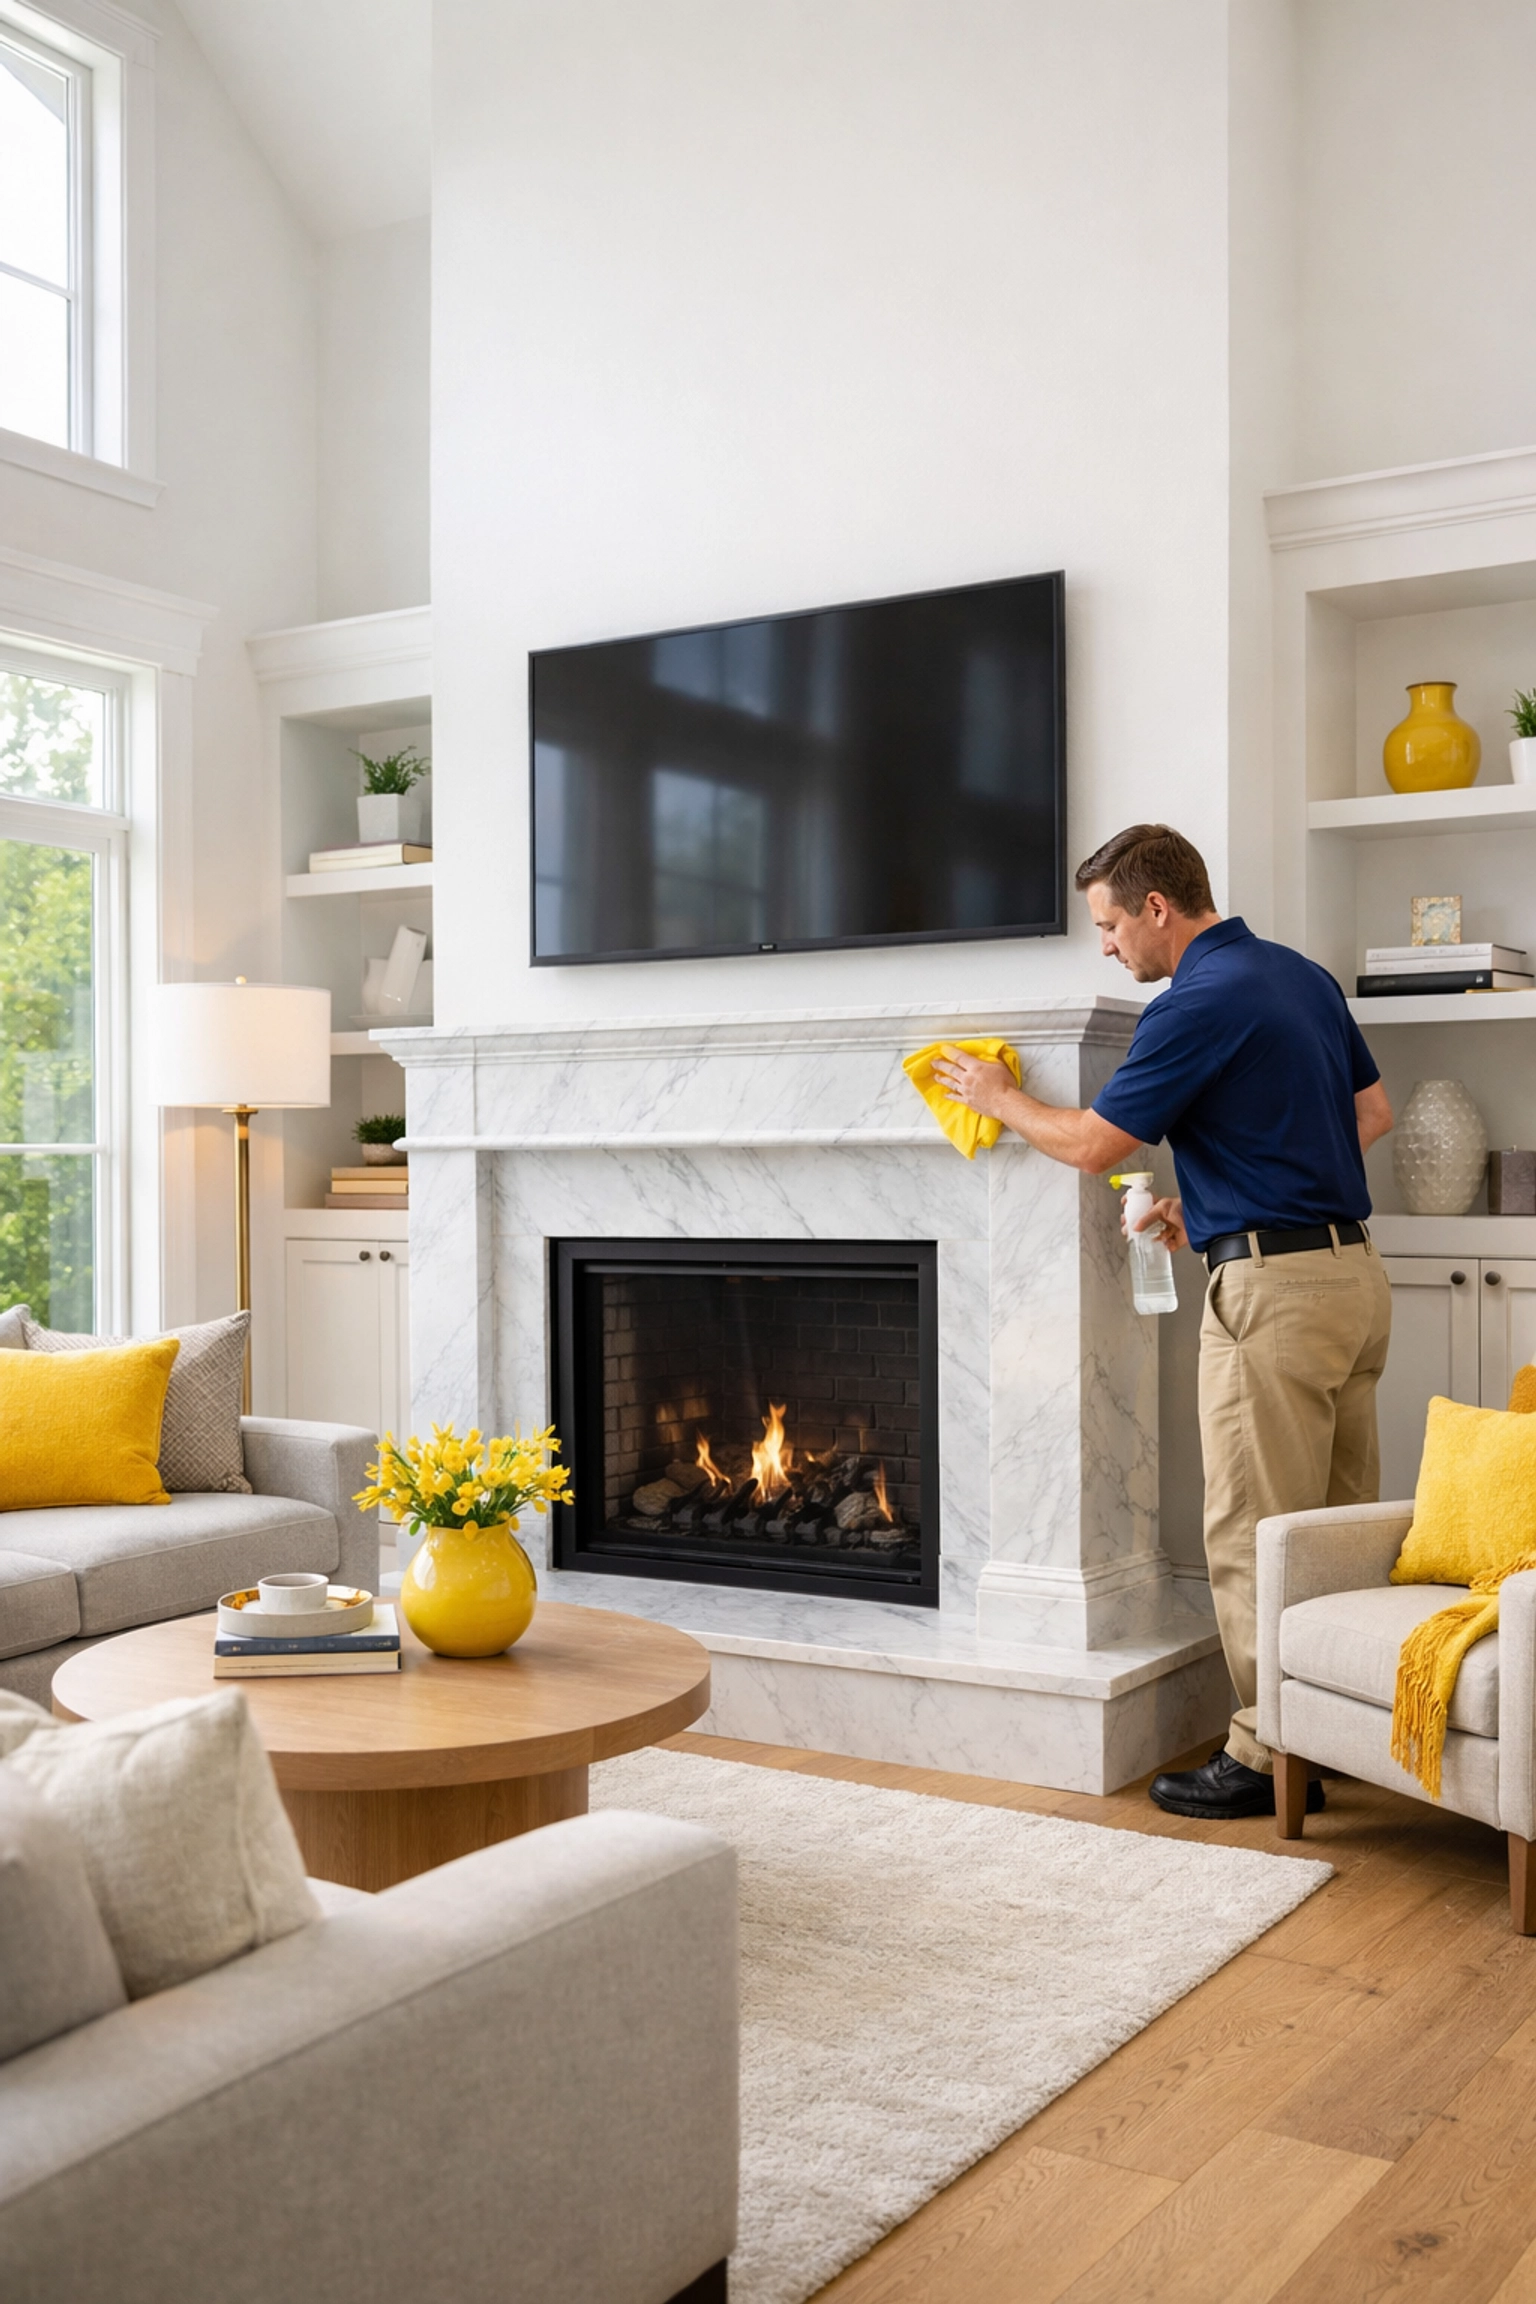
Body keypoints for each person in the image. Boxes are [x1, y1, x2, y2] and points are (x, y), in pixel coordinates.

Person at [934, 823, 1393, 1820]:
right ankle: (1339, 1731)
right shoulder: (1300, 976)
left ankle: (1266, 1751)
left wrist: (1001, 1095)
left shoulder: (1191, 1003)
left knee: (1255, 1532)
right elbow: (1371, 1116)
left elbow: (1094, 1145)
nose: (1106, 947)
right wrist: (1224, 1201)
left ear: (1156, 908)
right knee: (1336, 1529)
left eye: (1108, 926)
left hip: (1273, 1300)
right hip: (1352, 1277)